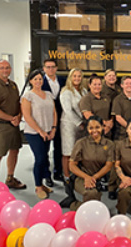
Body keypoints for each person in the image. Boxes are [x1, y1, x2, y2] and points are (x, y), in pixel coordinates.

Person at [0, 59, 26, 189]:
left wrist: (19, 116)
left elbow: (17, 104)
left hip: (14, 125)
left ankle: (10, 178)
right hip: (0, 126)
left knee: (14, 151)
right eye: (1, 68)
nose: (5, 70)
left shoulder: (13, 85)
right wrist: (10, 118)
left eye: (7, 68)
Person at [20, 69, 58, 200]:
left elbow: (54, 112)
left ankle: (43, 183)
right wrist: (40, 131)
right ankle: (38, 186)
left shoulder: (48, 94)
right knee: (40, 158)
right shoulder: (28, 96)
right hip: (34, 133)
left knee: (45, 157)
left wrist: (53, 128)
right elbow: (27, 116)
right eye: (35, 79)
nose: (38, 81)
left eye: (40, 79)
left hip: (48, 131)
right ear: (30, 81)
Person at [68, 115, 115, 209]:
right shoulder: (81, 143)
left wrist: (93, 178)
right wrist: (86, 177)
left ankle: (89, 210)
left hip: (99, 178)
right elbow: (72, 165)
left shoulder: (110, 144)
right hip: (81, 177)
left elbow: (108, 165)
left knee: (94, 200)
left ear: (102, 127)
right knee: (91, 193)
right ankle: (74, 205)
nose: (94, 131)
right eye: (91, 128)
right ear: (87, 129)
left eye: (97, 127)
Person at [58, 68, 85, 207]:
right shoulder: (66, 91)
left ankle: (76, 178)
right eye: (74, 76)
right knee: (68, 153)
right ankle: (67, 179)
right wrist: (79, 123)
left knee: (78, 152)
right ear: (70, 77)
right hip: (69, 125)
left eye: (79, 76)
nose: (77, 78)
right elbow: (67, 110)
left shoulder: (84, 90)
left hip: (82, 126)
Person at [41, 59, 65, 185]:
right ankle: (46, 175)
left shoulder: (62, 81)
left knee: (58, 147)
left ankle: (57, 172)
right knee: (44, 149)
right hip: (44, 119)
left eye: (53, 67)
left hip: (60, 119)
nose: (50, 69)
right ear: (44, 68)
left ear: (56, 68)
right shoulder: (39, 81)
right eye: (48, 67)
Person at [79, 75, 114, 141]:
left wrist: (109, 124)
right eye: (95, 84)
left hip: (107, 131)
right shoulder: (86, 99)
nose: (97, 86)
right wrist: (104, 123)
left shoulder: (106, 97)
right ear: (89, 85)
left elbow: (112, 112)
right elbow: (88, 115)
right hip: (93, 132)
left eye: (99, 84)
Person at [110, 76, 131, 141]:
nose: (129, 85)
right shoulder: (117, 100)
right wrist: (130, 128)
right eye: (126, 83)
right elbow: (118, 117)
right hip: (122, 134)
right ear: (122, 85)